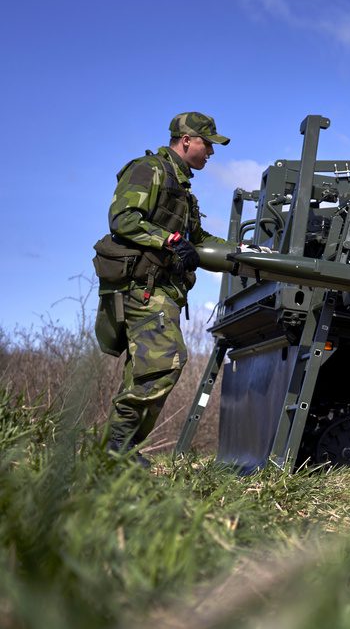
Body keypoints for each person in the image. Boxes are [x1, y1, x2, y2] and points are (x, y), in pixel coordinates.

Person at [92, 112, 233, 467]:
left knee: (154, 365)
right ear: (187, 140)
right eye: (208, 145)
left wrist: (241, 251)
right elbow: (123, 219)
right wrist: (168, 240)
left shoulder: (184, 189)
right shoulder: (150, 169)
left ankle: (114, 453)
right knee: (164, 361)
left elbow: (198, 240)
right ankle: (115, 451)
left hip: (164, 291)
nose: (211, 154)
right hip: (142, 287)